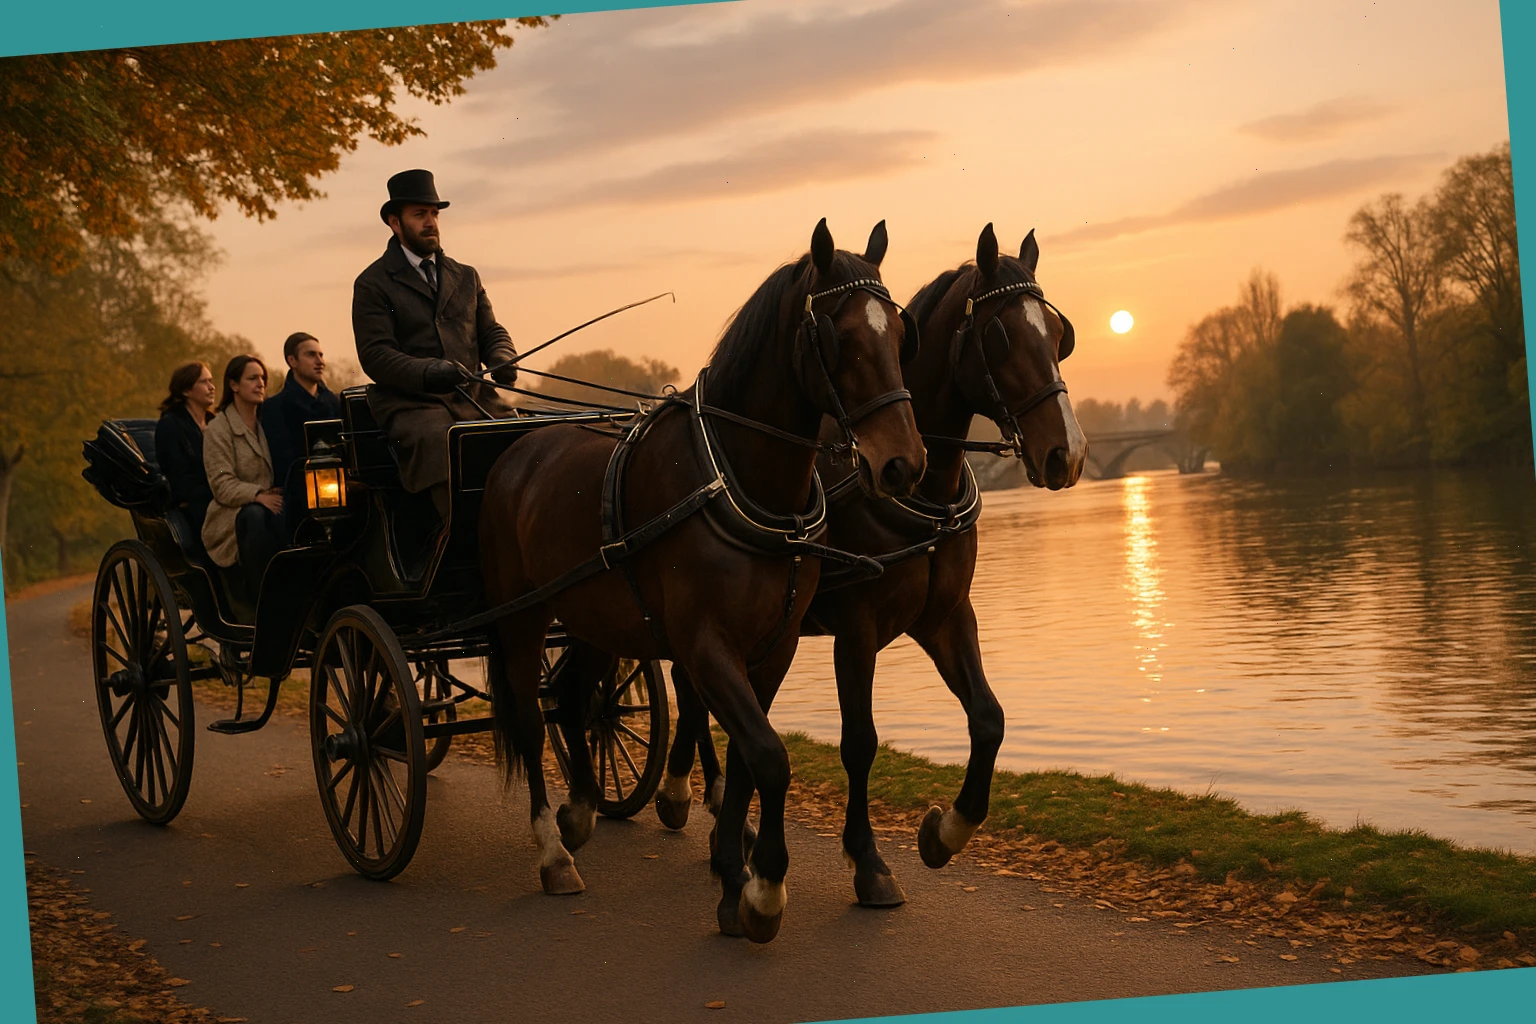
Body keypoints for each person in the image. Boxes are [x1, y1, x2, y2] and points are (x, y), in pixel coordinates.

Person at [352, 168, 519, 519]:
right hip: (412, 406)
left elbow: (491, 330)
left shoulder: (466, 275)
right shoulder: (372, 283)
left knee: (522, 437)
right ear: (395, 223)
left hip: (474, 398)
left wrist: (503, 357)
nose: (431, 222)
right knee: (445, 446)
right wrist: (430, 372)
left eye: (434, 214)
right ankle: (457, 541)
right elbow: (376, 355)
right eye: (420, 215)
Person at [202, 355, 283, 606]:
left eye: (263, 378)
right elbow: (221, 484)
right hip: (230, 516)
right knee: (255, 517)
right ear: (234, 385)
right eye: (252, 378)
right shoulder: (218, 428)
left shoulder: (267, 424)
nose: (260, 384)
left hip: (272, 503)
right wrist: (259, 495)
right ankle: (262, 603)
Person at [261, 331, 341, 538]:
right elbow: (283, 460)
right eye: (311, 355)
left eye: (321, 355)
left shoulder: (334, 402)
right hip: (296, 498)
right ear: (292, 360)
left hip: (337, 492)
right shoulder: (274, 407)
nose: (320, 361)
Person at [154, 361, 217, 540]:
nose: (212, 387)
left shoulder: (215, 423)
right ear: (186, 391)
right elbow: (179, 478)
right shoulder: (170, 425)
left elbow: (222, 467)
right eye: (204, 382)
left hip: (220, 493)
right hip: (193, 503)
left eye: (211, 381)